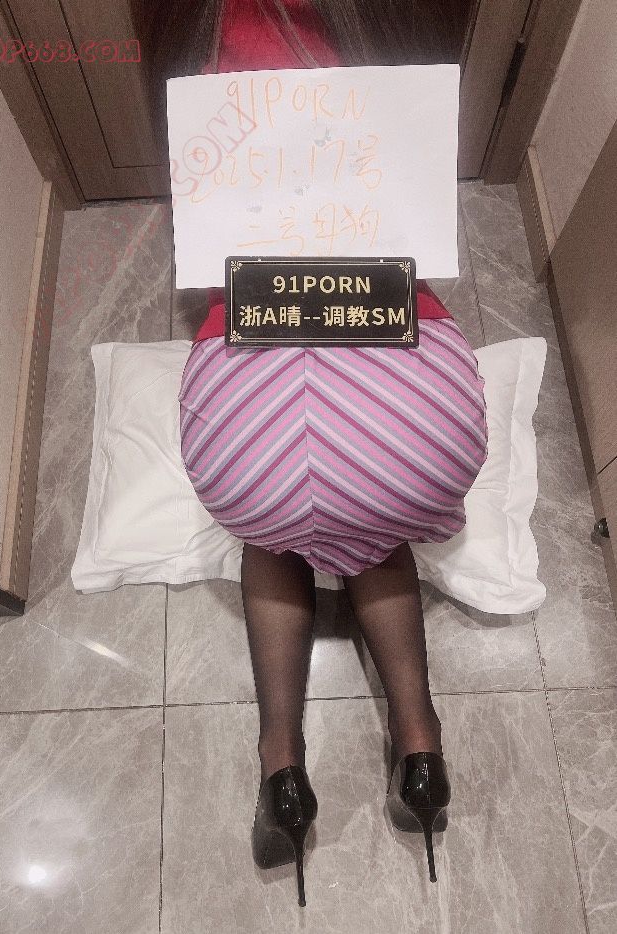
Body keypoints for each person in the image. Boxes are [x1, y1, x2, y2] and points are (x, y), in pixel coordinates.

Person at [142, 0, 487, 906]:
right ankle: (420, 749)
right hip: (416, 425)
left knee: (274, 535)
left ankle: (281, 769)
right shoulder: (401, 20)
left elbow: (204, 229)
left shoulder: (196, 28)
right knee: (377, 526)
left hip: (248, 431)